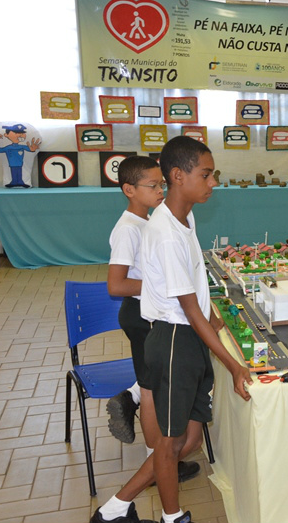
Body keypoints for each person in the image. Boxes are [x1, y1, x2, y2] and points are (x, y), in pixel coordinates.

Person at [89, 136, 254, 523]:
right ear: (178, 176)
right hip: (175, 338)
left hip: (190, 337)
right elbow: (190, 310)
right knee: (168, 443)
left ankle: (114, 509)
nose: (213, 182)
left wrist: (219, 319)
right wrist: (233, 366)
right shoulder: (163, 232)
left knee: (190, 439)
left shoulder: (185, 215)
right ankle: (172, 517)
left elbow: (198, 281)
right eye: (206, 175)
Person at [105, 156, 200, 483]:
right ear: (129, 189)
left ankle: (162, 458)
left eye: (162, 184)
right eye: (153, 185)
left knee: (156, 387)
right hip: (140, 314)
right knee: (151, 391)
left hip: (151, 311)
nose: (161, 190)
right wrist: (165, 283)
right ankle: (159, 464)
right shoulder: (128, 229)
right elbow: (116, 284)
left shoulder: (147, 221)